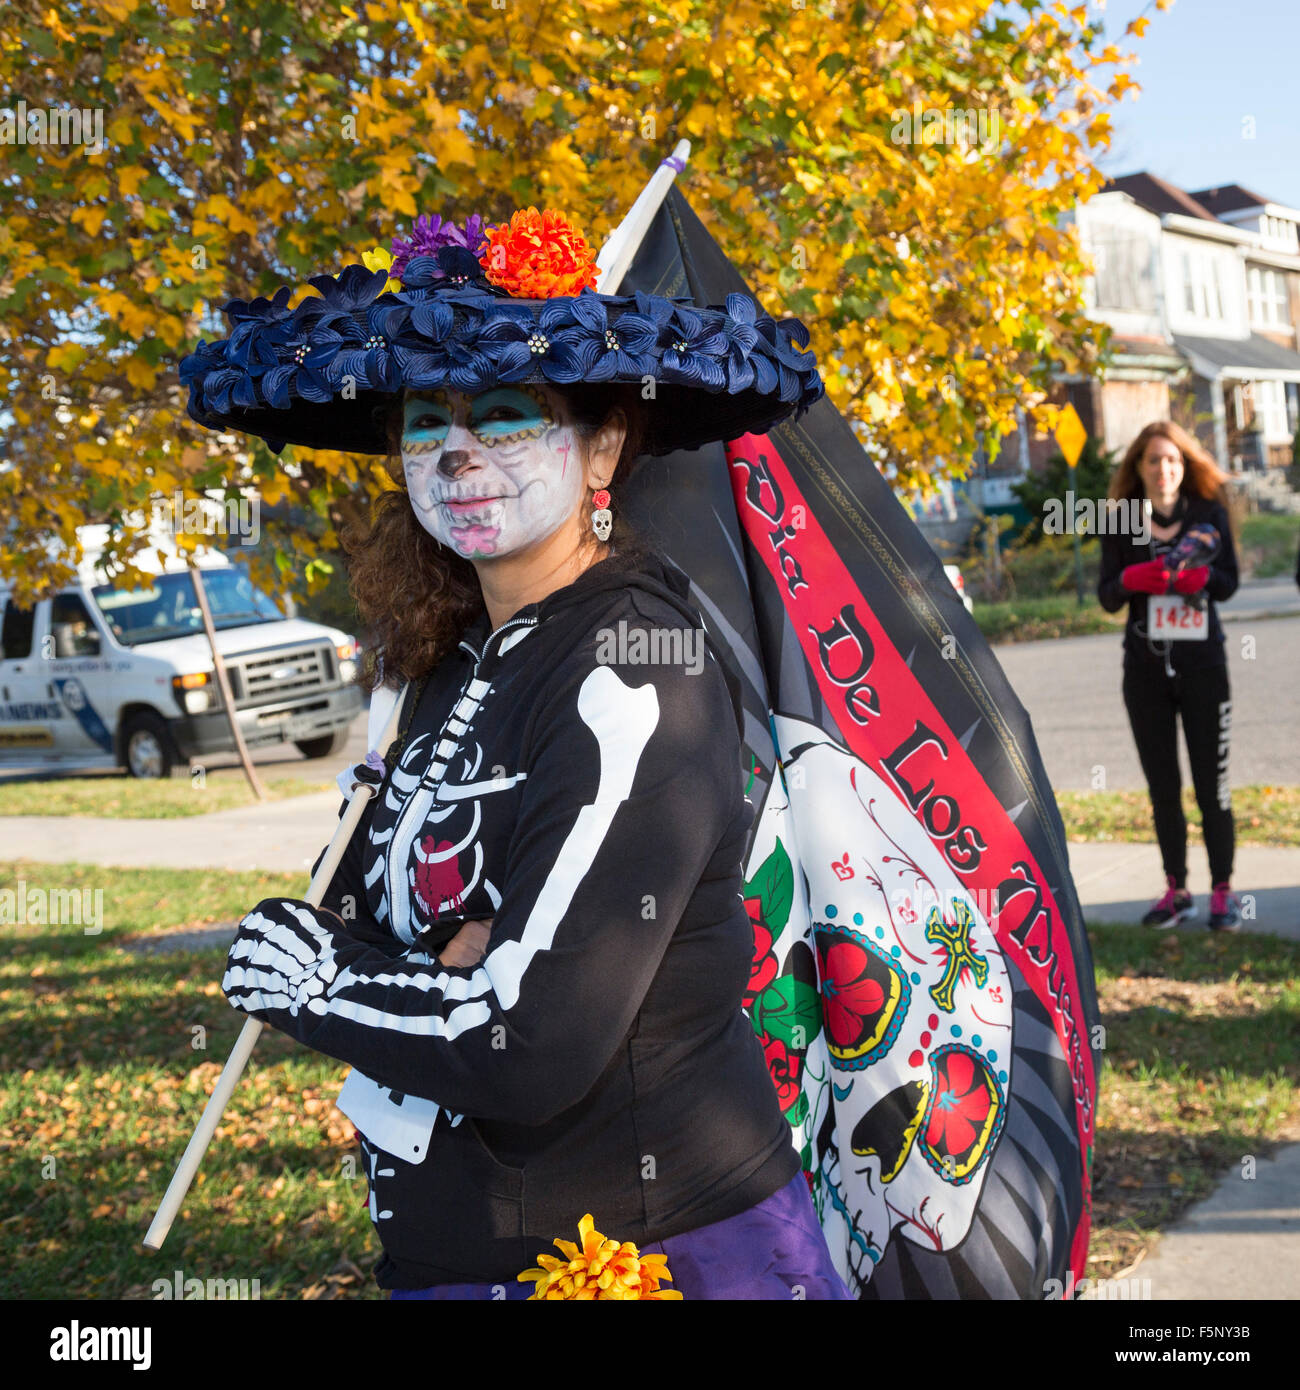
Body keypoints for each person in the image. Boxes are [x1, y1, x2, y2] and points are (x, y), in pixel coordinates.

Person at [181, 205, 849, 1298]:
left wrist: (314, 979)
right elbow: (409, 927)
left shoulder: (636, 665)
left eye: (503, 414)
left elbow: (529, 1036)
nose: (457, 452)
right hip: (450, 1250)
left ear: (602, 445)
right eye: (425, 423)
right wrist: (436, 949)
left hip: (644, 1252)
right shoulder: (447, 666)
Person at [1097, 420, 1241, 931]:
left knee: (1212, 788)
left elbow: (1229, 584)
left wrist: (1201, 577)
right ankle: (1176, 890)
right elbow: (1106, 595)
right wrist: (1133, 579)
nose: (1164, 469)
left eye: (1173, 459)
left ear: (1185, 466)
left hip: (1204, 669)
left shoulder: (1208, 515)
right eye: (1154, 459)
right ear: (1139, 467)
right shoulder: (1121, 521)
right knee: (1163, 788)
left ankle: (1222, 892)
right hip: (1145, 674)